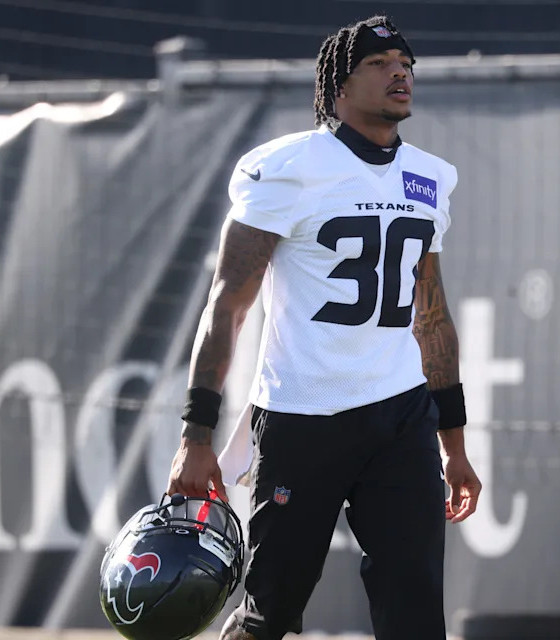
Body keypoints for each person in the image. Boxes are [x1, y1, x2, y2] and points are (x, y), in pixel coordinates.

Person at [165, 14, 482, 640]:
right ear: (339, 84)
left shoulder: (429, 177)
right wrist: (195, 433)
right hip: (301, 416)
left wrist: (455, 445)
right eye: (380, 62)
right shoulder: (287, 168)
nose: (400, 71)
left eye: (406, 62)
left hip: (400, 414)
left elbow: (433, 316)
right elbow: (227, 304)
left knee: (416, 616)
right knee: (272, 613)